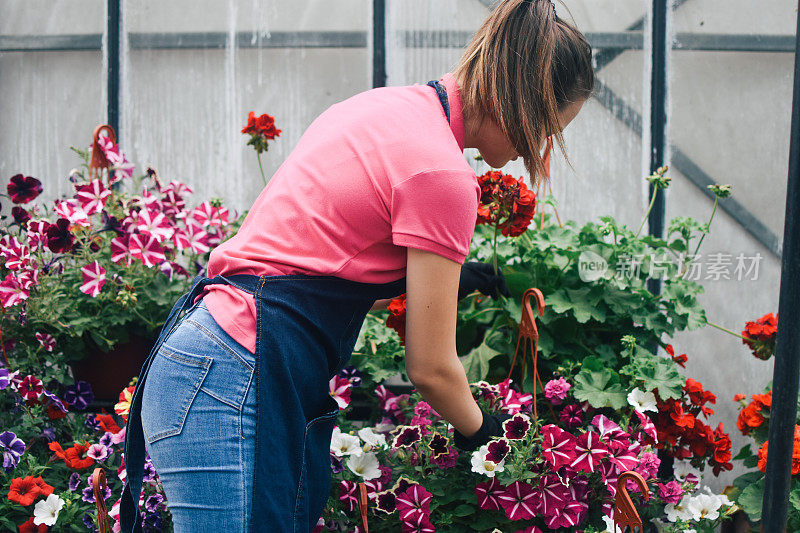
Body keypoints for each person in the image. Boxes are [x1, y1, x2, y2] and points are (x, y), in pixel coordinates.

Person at [121, 0, 594, 531]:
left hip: (205, 359)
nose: (545, 147)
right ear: (521, 99)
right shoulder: (442, 174)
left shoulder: (385, 108)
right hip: (234, 378)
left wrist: (447, 282)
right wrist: (482, 430)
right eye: (549, 126)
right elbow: (431, 370)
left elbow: (315, 267)